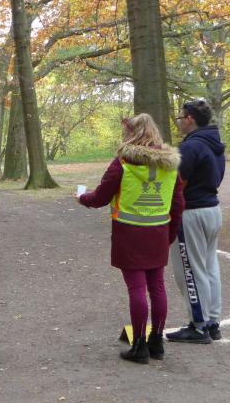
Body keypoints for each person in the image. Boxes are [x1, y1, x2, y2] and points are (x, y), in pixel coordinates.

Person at [77, 114, 184, 363]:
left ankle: (139, 346)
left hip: (129, 234)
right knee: (157, 287)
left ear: (132, 133)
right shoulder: (170, 165)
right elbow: (178, 203)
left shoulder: (123, 162)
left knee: (136, 289)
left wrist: (82, 198)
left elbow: (101, 196)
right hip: (158, 232)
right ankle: (156, 342)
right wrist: (169, 234)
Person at [166, 100, 225, 344]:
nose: (179, 123)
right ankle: (211, 322)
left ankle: (199, 326)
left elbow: (178, 183)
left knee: (189, 270)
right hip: (212, 209)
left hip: (191, 212)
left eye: (181, 118)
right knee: (209, 267)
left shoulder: (190, 146)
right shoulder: (214, 144)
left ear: (190, 118)